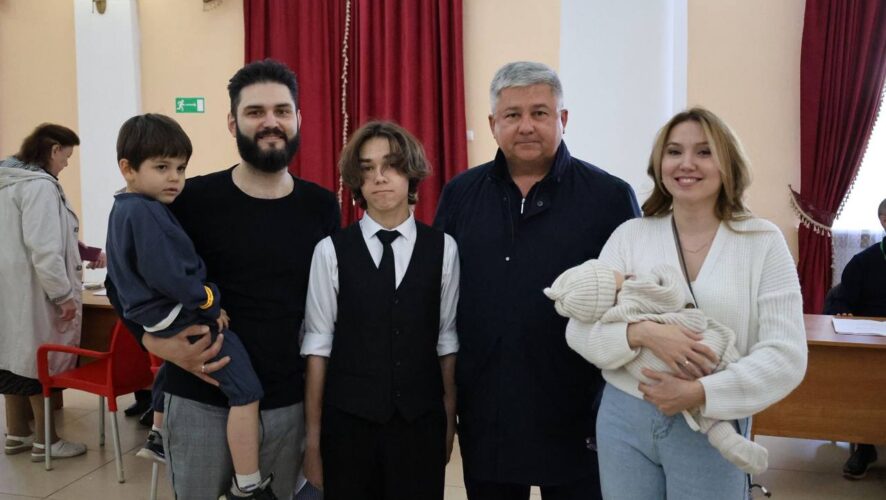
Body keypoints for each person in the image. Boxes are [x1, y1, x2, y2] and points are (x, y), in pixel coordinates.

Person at [106, 59, 340, 499]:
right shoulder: (188, 198)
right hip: (198, 399)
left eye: (281, 111)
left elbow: (327, 309)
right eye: (255, 112)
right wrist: (151, 341)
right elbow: (122, 281)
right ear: (233, 123)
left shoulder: (321, 206)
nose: (270, 122)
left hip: (285, 400)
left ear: (298, 119)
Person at [564, 107, 807, 499]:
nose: (686, 163)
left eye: (704, 152)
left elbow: (786, 354)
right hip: (625, 418)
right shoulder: (631, 235)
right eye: (674, 151)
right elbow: (579, 330)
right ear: (659, 164)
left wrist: (702, 392)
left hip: (714, 417)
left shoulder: (762, 241)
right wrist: (641, 333)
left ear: (728, 162)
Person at [433, 61, 639, 499]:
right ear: (493, 124)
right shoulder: (460, 194)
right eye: (512, 115)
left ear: (563, 119)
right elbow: (440, 297)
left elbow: (633, 300)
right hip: (487, 411)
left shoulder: (609, 197)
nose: (526, 126)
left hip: (579, 413)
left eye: (540, 113)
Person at [106, 113, 274, 497]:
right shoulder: (149, 213)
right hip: (181, 315)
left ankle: (157, 433)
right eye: (161, 167)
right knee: (247, 391)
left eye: (180, 168)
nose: (175, 178)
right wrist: (211, 302)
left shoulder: (123, 208)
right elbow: (173, 277)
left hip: (152, 317)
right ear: (128, 169)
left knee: (171, 366)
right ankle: (248, 484)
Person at [301, 121, 459, 500]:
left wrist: (448, 421)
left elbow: (447, 342)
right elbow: (318, 347)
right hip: (348, 426)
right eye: (367, 168)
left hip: (419, 425)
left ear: (410, 172)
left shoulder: (444, 249)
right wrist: (313, 439)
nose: (379, 177)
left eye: (391, 165)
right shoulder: (330, 251)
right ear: (357, 180)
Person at [545, 260, 768, 474]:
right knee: (719, 356)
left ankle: (724, 436)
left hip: (651, 373)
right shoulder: (632, 293)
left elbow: (582, 332)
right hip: (694, 348)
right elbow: (672, 296)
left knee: (697, 409)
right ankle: (729, 431)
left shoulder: (607, 317)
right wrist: (661, 273)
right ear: (608, 285)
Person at [0, 124, 92, 462]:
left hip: (9, 289)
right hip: (34, 290)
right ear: (53, 150)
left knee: (13, 360)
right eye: (66, 156)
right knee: (40, 363)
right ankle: (46, 441)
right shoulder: (39, 186)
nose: (66, 164)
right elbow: (44, 249)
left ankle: (17, 434)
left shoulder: (7, 182)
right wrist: (62, 295)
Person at [828, 197, 886, 480]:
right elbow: (841, 303)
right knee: (862, 382)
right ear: (884, 221)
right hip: (871, 342)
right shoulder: (862, 263)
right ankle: (865, 447)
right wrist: (844, 313)